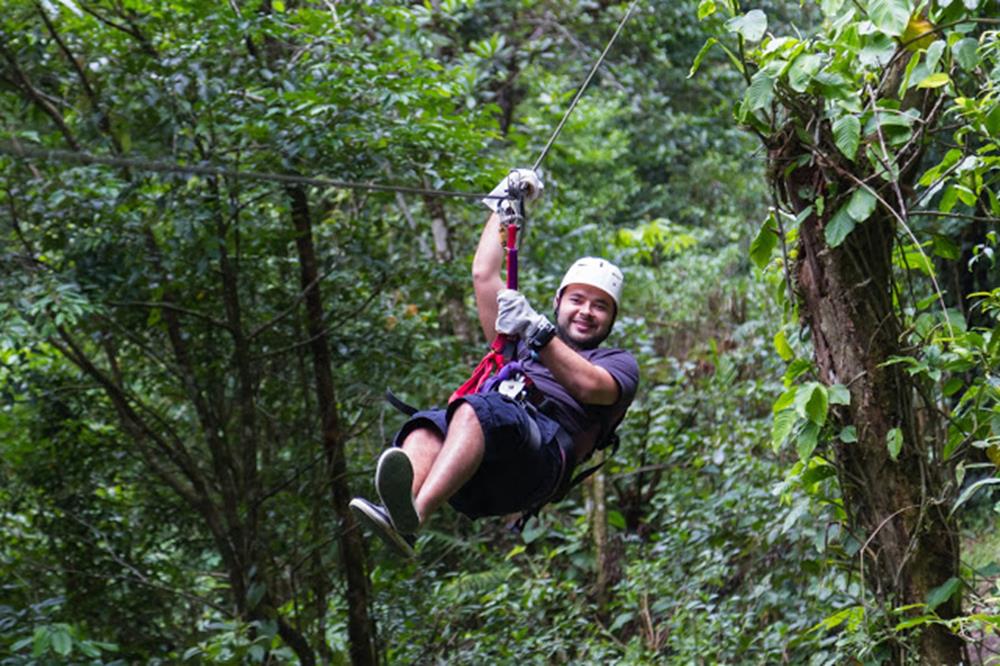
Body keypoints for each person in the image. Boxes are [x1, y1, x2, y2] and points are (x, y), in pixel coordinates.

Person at [349, 169, 640, 557]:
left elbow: (588, 385)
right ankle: (398, 515)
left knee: (475, 411)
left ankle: (416, 515)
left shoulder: (618, 363)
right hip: (483, 466)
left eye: (600, 306)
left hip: (539, 459)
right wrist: (502, 203)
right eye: (577, 300)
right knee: (426, 429)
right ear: (558, 302)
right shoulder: (518, 340)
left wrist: (537, 331)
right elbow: (484, 275)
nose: (586, 311)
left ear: (612, 319)